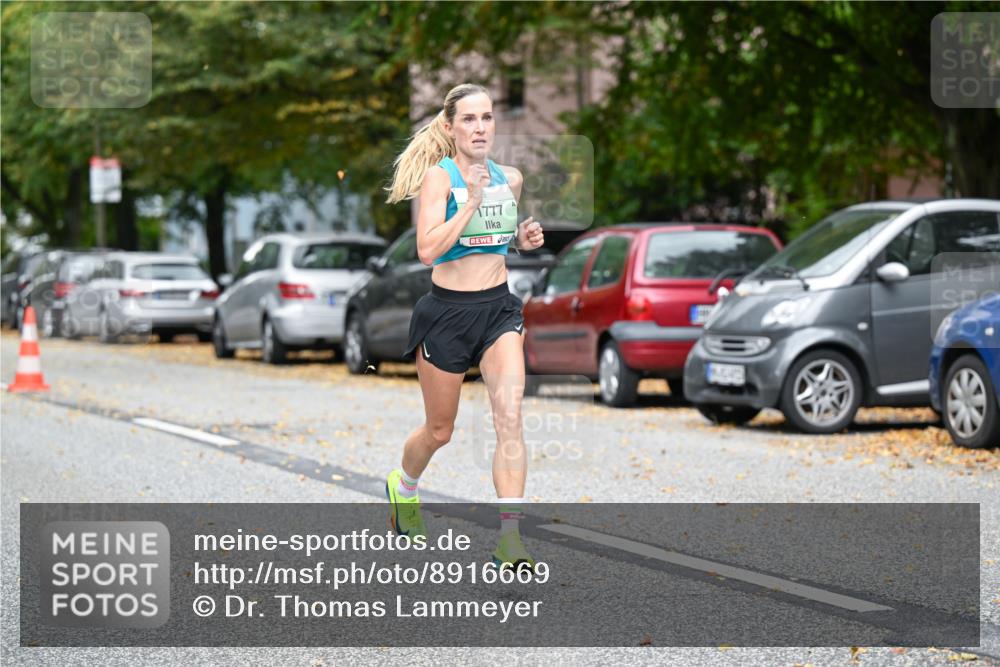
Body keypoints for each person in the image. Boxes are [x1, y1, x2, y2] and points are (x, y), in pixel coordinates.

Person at [383, 82, 545, 570]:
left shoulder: (509, 178)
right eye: (470, 119)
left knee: (509, 417)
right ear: (451, 127)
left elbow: (496, 240)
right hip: (447, 313)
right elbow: (429, 250)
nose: (480, 127)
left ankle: (511, 540)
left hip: (498, 309)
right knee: (440, 430)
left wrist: (523, 238)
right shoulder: (440, 178)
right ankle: (404, 487)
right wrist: (469, 203)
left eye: (487, 118)